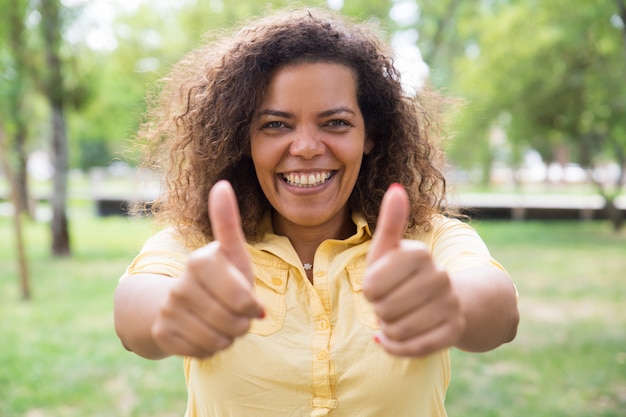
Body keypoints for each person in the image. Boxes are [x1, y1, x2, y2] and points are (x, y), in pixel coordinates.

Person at [113, 7, 519, 417]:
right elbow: (134, 312)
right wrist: (174, 309)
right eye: (275, 125)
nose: (306, 147)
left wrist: (448, 303)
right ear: (244, 139)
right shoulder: (201, 245)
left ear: (370, 136)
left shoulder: (428, 239)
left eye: (336, 123)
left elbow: (499, 312)